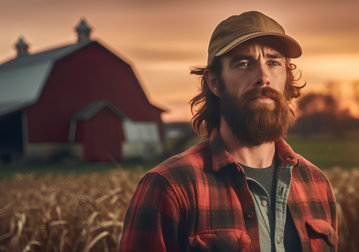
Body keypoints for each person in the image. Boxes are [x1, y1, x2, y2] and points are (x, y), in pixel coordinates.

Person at [119, 11, 337, 252]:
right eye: (244, 64)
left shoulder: (316, 184)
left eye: (274, 63)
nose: (263, 77)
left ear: (286, 78)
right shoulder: (170, 187)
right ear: (214, 82)